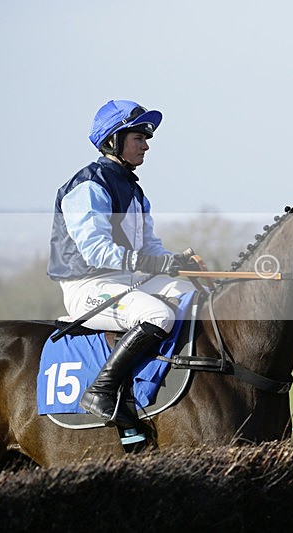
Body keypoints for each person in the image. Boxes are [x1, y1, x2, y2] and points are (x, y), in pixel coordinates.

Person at [47, 99, 196, 427]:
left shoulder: (135, 191)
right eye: (138, 138)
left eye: (146, 139)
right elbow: (95, 252)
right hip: (87, 284)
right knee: (158, 314)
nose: (145, 146)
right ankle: (100, 390)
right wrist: (153, 264)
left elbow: (150, 246)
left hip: (126, 280)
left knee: (190, 293)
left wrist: (174, 262)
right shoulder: (88, 185)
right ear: (113, 140)